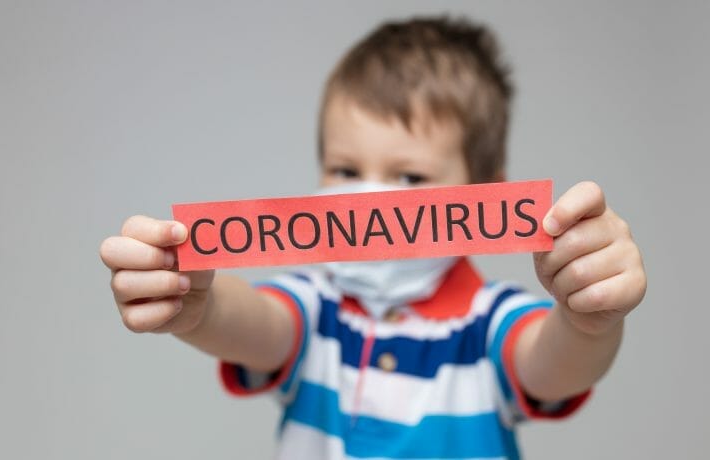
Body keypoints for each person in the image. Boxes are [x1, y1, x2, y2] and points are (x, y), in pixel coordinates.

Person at [99, 16, 646, 459]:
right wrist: (198, 306)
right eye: (344, 170)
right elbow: (250, 323)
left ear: (486, 196)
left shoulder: (488, 323)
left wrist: (587, 320)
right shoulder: (316, 309)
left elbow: (556, 367)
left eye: (409, 178)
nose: (368, 200)